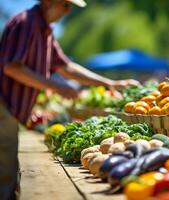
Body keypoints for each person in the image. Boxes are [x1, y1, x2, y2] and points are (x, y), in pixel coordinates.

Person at [0, 0, 139, 199]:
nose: (69, 10)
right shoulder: (26, 22)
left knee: (8, 173)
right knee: (4, 176)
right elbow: (12, 67)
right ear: (49, 2)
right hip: (3, 106)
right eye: (66, 5)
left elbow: (66, 68)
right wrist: (56, 86)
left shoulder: (44, 30)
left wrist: (108, 83)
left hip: (10, 110)